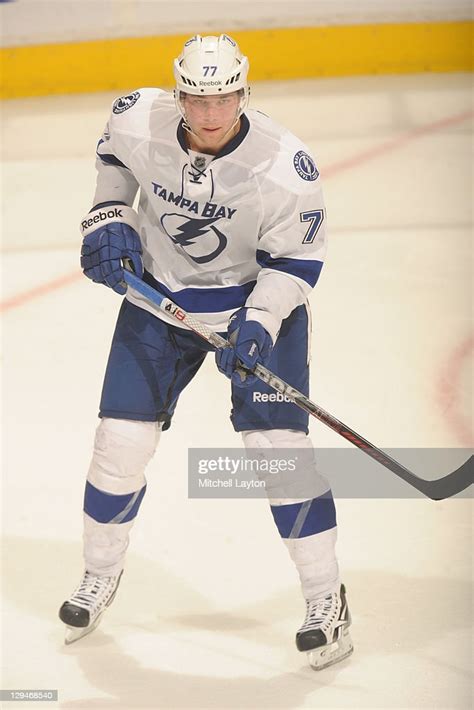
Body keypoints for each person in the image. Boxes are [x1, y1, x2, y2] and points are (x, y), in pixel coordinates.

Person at [59, 33, 353, 670]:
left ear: (245, 92)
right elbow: (114, 163)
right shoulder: (139, 116)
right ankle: (99, 574)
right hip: (159, 301)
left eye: (224, 98)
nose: (211, 113)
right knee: (119, 445)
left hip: (253, 308)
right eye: (196, 97)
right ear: (178, 91)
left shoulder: (284, 165)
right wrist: (109, 216)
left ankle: (326, 599)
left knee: (279, 456)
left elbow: (299, 261)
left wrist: (261, 323)